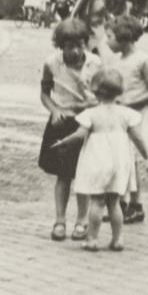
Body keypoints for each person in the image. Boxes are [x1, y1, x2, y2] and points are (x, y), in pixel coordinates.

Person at [50, 67, 148, 251]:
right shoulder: (125, 113)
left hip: (98, 160)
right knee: (114, 202)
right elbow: (137, 137)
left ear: (95, 91)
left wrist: (63, 143)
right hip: (119, 161)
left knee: (97, 201)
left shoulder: (91, 114)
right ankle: (118, 239)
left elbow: (79, 135)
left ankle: (92, 239)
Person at [38, 18, 101, 243]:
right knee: (63, 175)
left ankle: (82, 220)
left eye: (80, 46)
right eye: (69, 47)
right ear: (60, 46)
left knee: (84, 174)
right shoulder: (51, 63)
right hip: (63, 122)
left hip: (86, 122)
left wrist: (91, 102)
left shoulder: (95, 64)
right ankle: (60, 220)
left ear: (86, 44)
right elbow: (45, 93)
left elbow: (105, 95)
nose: (74, 51)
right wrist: (54, 111)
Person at [107, 15, 148, 225]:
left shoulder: (142, 60)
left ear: (123, 37)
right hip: (122, 116)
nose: (107, 41)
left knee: (131, 162)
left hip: (138, 117)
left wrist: (130, 103)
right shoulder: (118, 60)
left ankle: (136, 205)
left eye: (110, 36)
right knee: (122, 160)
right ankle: (121, 203)